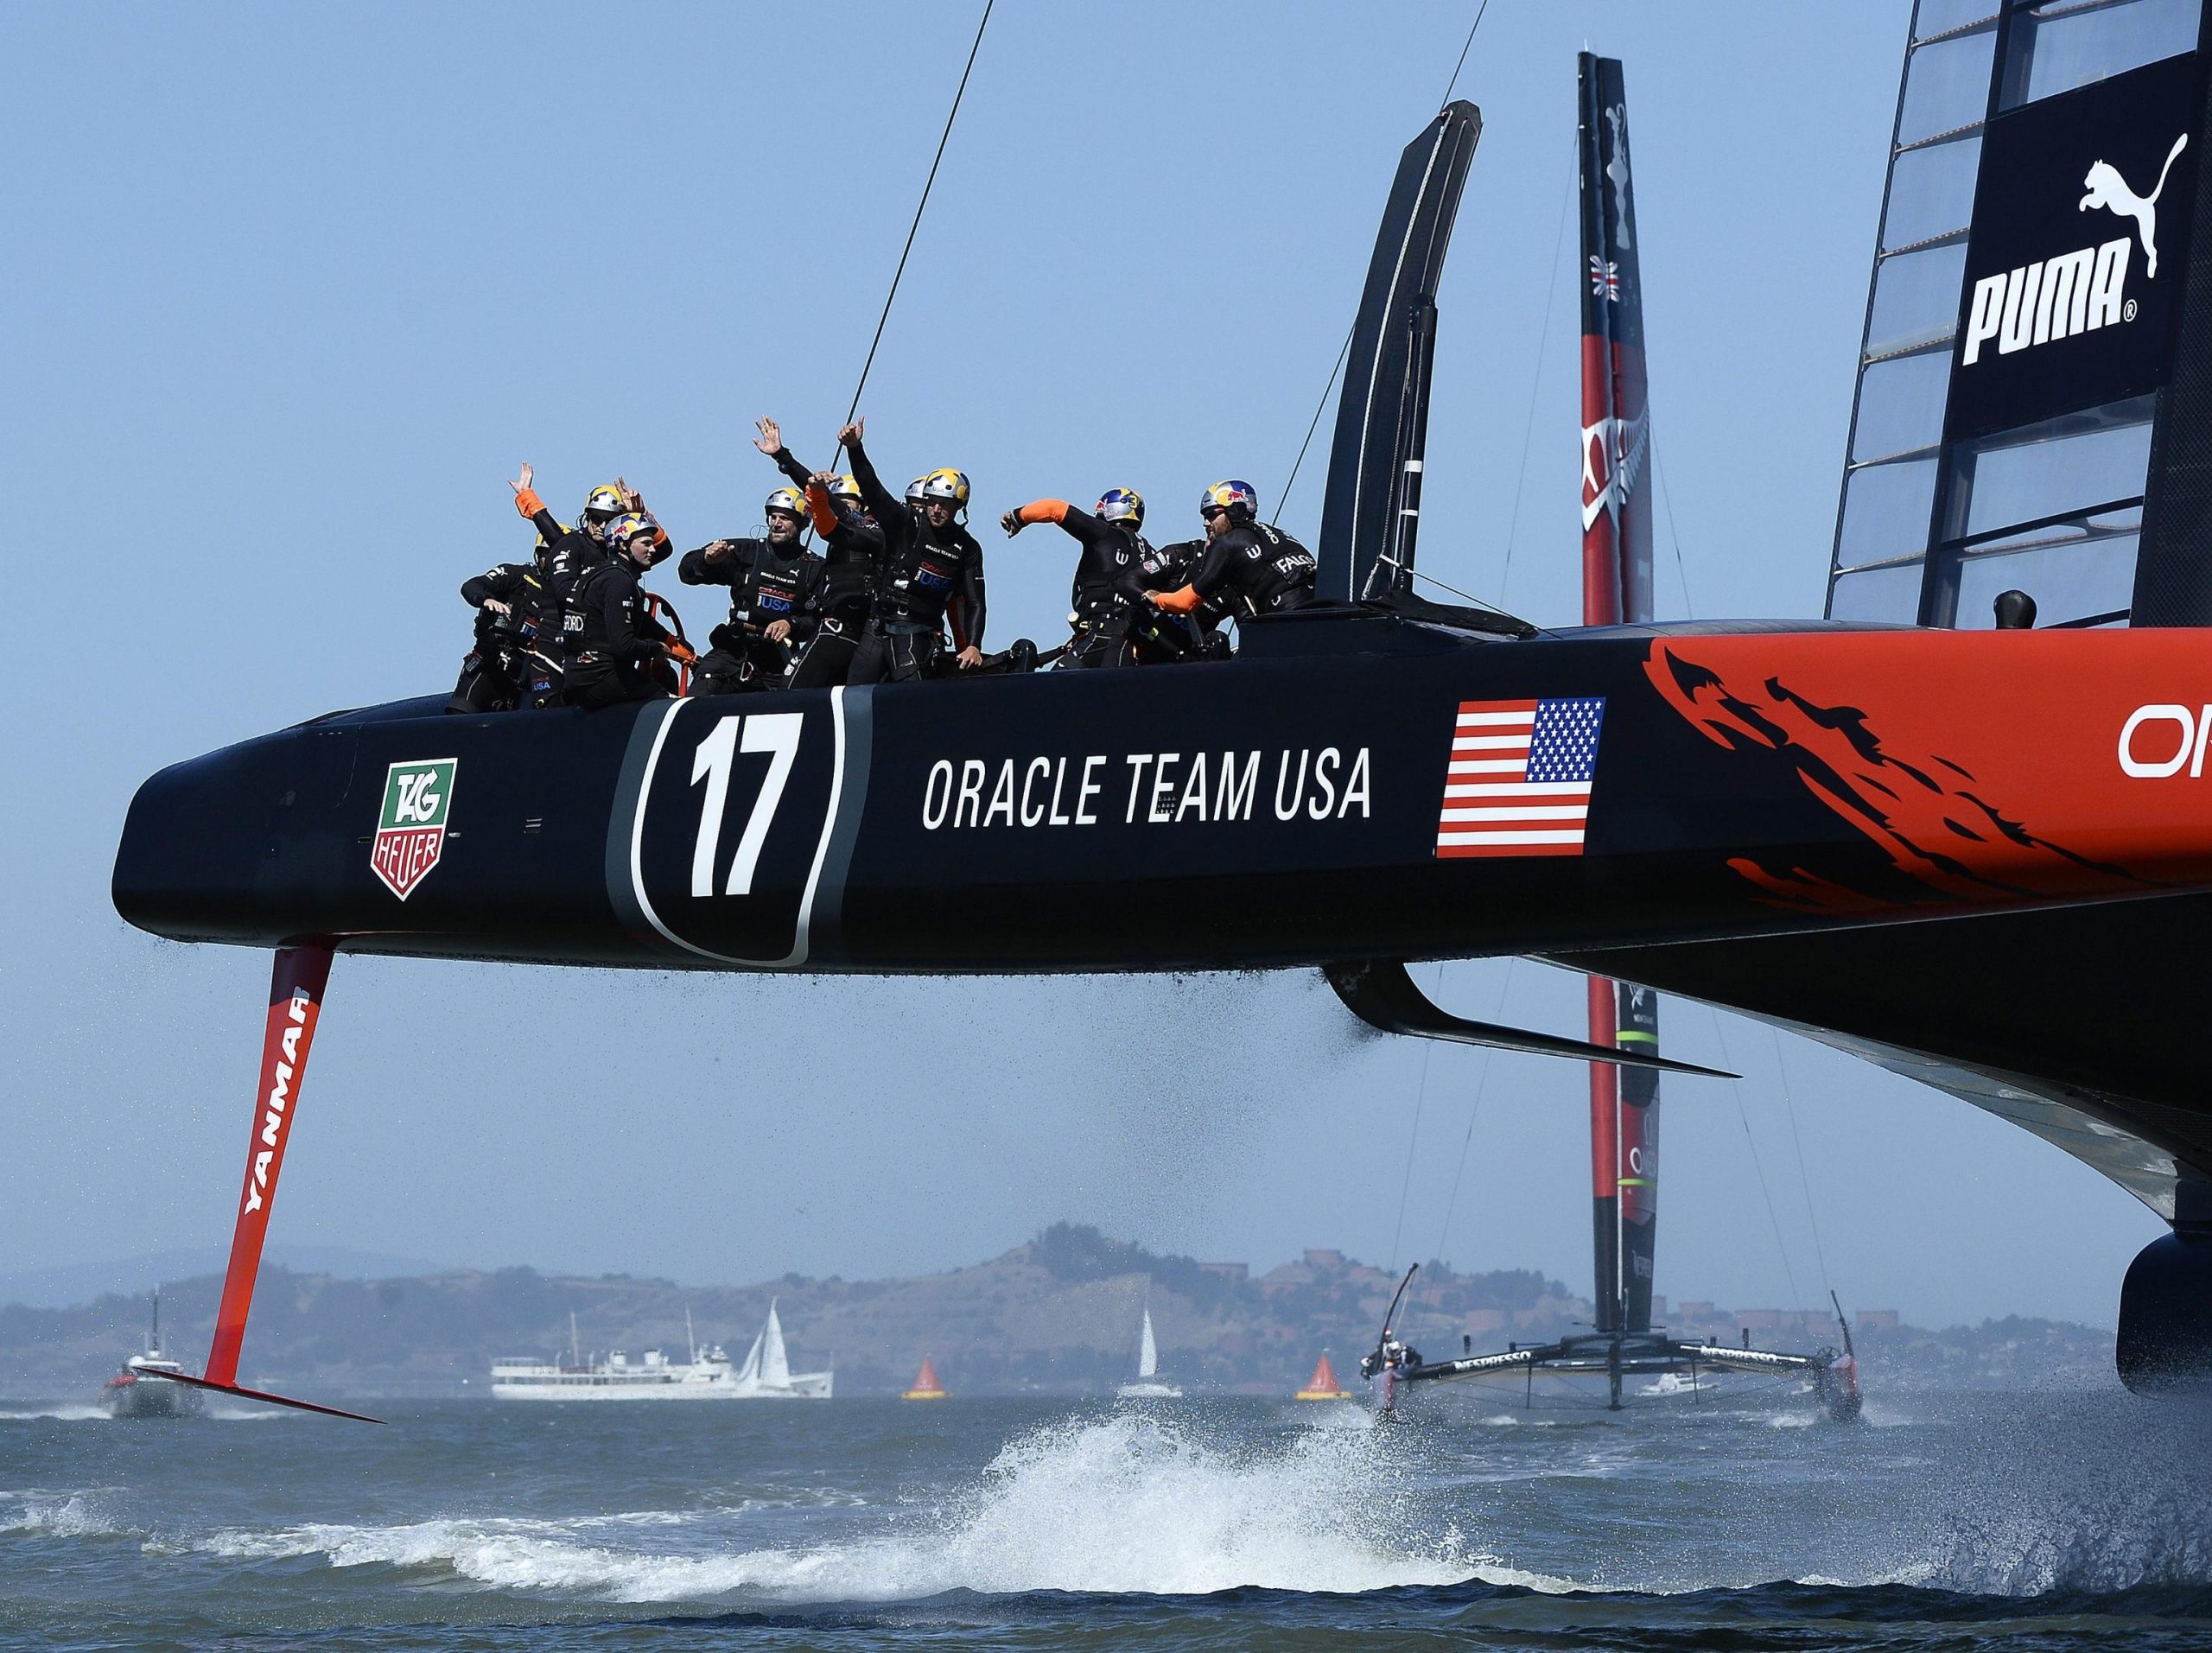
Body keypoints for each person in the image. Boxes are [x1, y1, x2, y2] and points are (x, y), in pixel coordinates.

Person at [841, 421, 988, 682]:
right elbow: (874, 491)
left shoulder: (968, 547)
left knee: (912, 700)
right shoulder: (908, 523)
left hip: (917, 632)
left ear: (958, 507)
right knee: (853, 697)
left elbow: (976, 602)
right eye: (932, 503)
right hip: (877, 629)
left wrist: (974, 645)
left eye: (944, 504)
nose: (937, 510)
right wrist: (855, 448)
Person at [755, 416, 885, 689]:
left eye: (845, 504)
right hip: (838, 628)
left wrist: (783, 456)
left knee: (790, 692)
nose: (838, 510)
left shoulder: (872, 531)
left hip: (846, 632)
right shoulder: (838, 540)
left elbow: (839, 507)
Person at [678, 486, 827, 693]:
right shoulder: (746, 552)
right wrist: (707, 561)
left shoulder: (815, 567)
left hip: (779, 659)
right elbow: (686, 571)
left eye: (784, 518)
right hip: (734, 650)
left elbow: (819, 621)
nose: (776, 524)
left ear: (803, 523)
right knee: (699, 693)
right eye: (773, 517)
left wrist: (791, 624)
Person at [999, 488, 1151, 668]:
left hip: (1097, 638)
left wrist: (1018, 517)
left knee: (1049, 693)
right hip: (1131, 649)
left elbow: (1053, 508)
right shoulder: (1152, 554)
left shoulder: (1104, 533)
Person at [1146, 480, 1315, 639]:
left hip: (1287, 620)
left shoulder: (1228, 543)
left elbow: (1185, 602)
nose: (1205, 523)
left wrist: (1156, 597)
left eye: (1212, 514)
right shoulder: (1281, 535)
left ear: (1234, 511)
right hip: (1323, 614)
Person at [559, 511, 693, 709]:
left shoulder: (600, 573)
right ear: (623, 545)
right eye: (646, 544)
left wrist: (672, 641)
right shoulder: (618, 581)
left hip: (578, 676)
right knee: (668, 705)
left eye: (652, 543)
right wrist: (656, 648)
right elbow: (624, 646)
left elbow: (642, 623)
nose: (653, 550)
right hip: (599, 678)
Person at [446, 545, 551, 714]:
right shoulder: (516, 575)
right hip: (489, 665)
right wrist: (486, 600)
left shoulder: (563, 592)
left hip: (525, 678)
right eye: (548, 553)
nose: (553, 559)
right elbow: (471, 586)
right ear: (538, 555)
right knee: (460, 717)